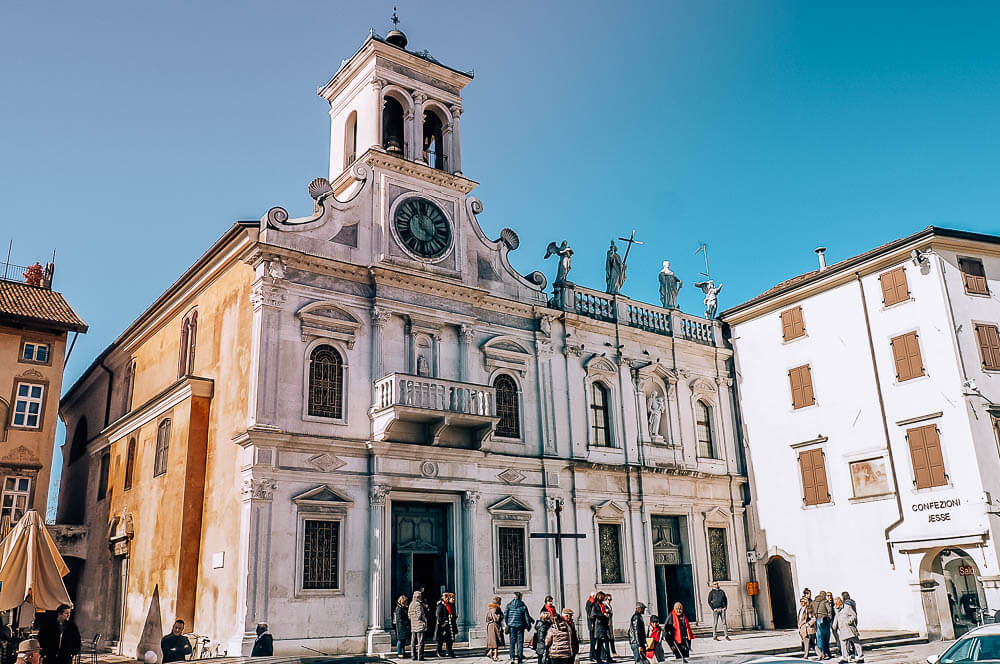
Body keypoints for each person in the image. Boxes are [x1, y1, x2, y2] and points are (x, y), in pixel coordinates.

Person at [504, 592, 531, 664]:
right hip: (520, 626)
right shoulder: (523, 606)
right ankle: (519, 659)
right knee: (520, 642)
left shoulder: (509, 605)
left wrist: (508, 623)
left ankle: (512, 657)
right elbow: (527, 617)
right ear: (520, 597)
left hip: (511, 626)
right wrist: (528, 626)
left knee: (512, 642)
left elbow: (505, 616)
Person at [833, 598, 863, 663]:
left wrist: (849, 621)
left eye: (836, 603)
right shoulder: (835, 608)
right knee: (843, 644)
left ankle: (860, 657)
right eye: (835, 603)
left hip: (849, 628)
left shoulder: (847, 607)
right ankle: (845, 658)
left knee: (856, 642)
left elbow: (854, 615)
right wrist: (834, 625)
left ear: (840, 602)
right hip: (842, 629)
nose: (835, 605)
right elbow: (836, 617)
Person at [435, 592, 458, 658]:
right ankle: (439, 651)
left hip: (449, 625)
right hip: (443, 626)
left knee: (449, 640)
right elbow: (438, 615)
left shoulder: (449, 605)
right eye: (451, 598)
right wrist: (443, 623)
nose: (453, 599)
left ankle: (449, 651)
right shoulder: (441, 605)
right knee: (440, 640)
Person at [592, 593, 613, 664]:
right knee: (599, 644)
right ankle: (598, 659)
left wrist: (606, 613)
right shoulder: (595, 605)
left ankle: (606, 658)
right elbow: (593, 615)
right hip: (599, 627)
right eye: (603, 597)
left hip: (604, 626)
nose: (604, 599)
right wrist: (603, 614)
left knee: (604, 642)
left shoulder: (602, 604)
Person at [409, 589, 428, 661]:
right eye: (420, 596)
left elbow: (409, 615)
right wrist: (424, 620)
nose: (421, 597)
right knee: (420, 641)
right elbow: (419, 614)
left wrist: (413, 620)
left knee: (413, 641)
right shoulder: (418, 604)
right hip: (419, 624)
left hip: (413, 624)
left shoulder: (411, 604)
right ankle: (420, 656)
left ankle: (413, 655)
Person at [812, 592, 832, 660]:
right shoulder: (825, 601)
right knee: (826, 637)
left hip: (817, 619)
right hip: (824, 619)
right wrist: (829, 617)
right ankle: (827, 653)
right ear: (824, 595)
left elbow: (811, 609)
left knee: (819, 638)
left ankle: (821, 653)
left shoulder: (814, 602)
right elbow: (829, 609)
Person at [586, 593, 599, 662]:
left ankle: (594, 655)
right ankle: (592, 656)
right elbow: (590, 614)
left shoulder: (592, 602)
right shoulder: (590, 602)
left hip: (593, 625)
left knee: (595, 641)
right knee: (593, 642)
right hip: (592, 625)